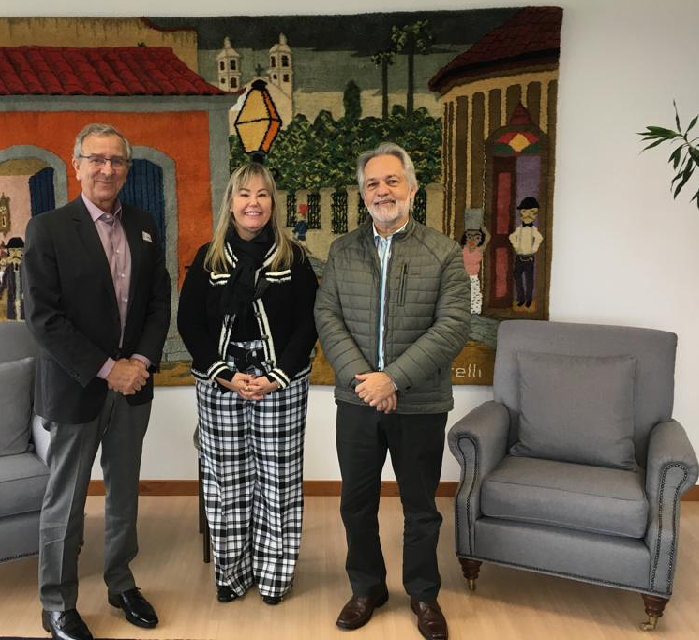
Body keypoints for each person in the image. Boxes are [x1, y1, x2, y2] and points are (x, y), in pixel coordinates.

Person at [315, 142, 470, 640]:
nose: (383, 191)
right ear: (363, 194)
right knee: (355, 502)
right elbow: (327, 316)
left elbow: (452, 327)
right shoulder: (342, 251)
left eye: (391, 181)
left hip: (420, 403)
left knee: (420, 506)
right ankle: (367, 588)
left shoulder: (444, 253)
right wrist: (367, 381)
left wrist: (393, 379)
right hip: (357, 401)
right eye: (373, 184)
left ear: (411, 188)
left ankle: (424, 595)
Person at [23, 123, 171, 640]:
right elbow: (44, 319)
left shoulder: (147, 225)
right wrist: (112, 369)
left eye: (118, 161)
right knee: (65, 499)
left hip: (133, 388)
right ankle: (57, 602)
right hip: (76, 387)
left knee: (124, 492)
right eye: (97, 159)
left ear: (127, 169)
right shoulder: (48, 228)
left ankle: (121, 581)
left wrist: (142, 362)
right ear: (76, 163)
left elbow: (157, 302)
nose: (108, 169)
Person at [177, 162, 318, 606]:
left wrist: (276, 377)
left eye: (262, 194)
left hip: (281, 380)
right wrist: (223, 373)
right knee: (227, 480)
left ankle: (275, 575)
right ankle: (233, 573)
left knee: (278, 479)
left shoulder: (293, 257)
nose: (252, 203)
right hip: (221, 379)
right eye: (244, 194)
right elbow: (190, 323)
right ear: (230, 202)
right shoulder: (209, 256)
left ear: (272, 203)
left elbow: (308, 323)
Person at [508, 196, 543, 309]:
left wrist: (534, 249)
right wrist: (516, 246)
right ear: (520, 213)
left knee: (529, 280)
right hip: (519, 258)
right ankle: (521, 298)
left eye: (532, 212)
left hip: (529, 258)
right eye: (524, 211)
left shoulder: (534, 230)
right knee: (517, 278)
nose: (528, 215)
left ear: (536, 214)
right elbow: (511, 237)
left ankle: (528, 299)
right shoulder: (518, 229)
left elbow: (539, 238)